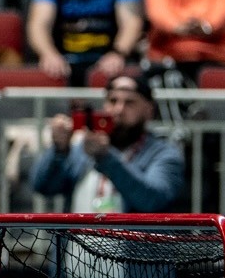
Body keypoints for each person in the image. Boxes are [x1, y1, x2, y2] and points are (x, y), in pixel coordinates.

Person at [29, 67, 183, 212]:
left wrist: (106, 158)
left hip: (127, 234)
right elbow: (43, 187)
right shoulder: (83, 147)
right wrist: (59, 151)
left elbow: (153, 201)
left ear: (149, 110)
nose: (119, 110)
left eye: (129, 102)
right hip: (77, 233)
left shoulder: (164, 154)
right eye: (113, 101)